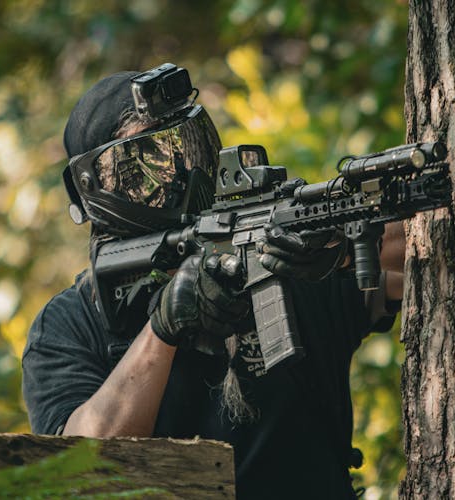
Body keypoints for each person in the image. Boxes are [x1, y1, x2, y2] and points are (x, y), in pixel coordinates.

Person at [22, 64, 405, 499]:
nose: (184, 172)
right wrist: (162, 330)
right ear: (100, 187)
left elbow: (426, 250)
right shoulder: (71, 324)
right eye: (153, 162)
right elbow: (79, 470)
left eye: (188, 145)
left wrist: (334, 244)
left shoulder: (285, 257)